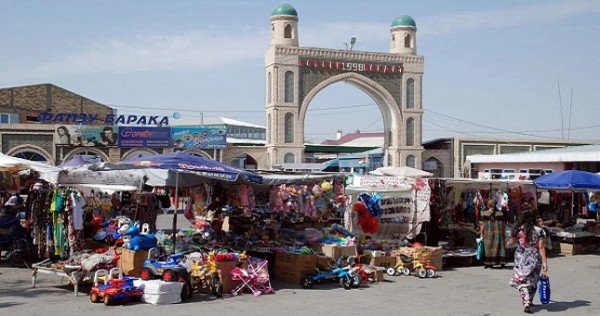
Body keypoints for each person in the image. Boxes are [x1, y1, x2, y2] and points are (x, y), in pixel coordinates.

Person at [508, 210, 548, 314]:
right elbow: (541, 247)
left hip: (521, 258)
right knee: (533, 281)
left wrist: (509, 243)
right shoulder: (540, 231)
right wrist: (545, 262)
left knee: (522, 281)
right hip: (535, 258)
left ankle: (526, 302)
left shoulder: (518, 229)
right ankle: (529, 300)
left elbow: (511, 243)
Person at [480, 199, 507, 268]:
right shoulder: (500, 213)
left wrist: (481, 233)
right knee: (500, 246)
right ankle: (502, 262)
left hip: (488, 232)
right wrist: (504, 232)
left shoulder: (484, 213)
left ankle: (489, 262)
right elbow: (504, 224)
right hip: (499, 232)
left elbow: (482, 225)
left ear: (488, 205)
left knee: (488, 247)